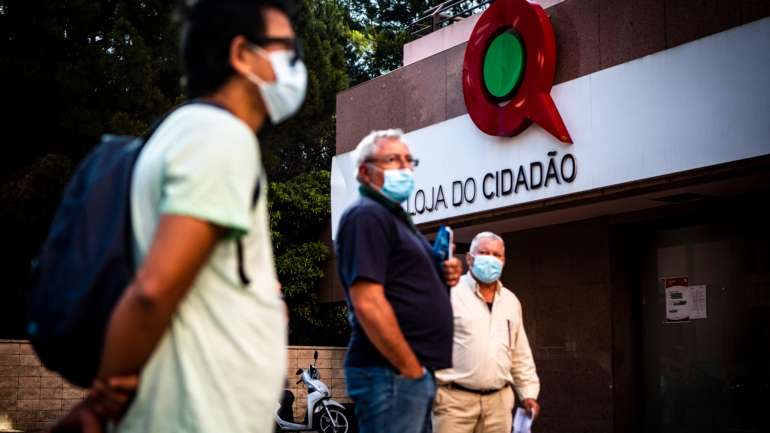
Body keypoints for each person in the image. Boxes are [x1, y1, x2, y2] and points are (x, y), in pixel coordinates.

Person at [48, 1, 306, 432]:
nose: (298, 63)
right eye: (288, 48)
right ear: (242, 54)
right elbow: (153, 290)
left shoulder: (187, 132)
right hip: (200, 414)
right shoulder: (219, 136)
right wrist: (99, 403)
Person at [335, 129, 463, 433]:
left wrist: (444, 271)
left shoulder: (397, 220)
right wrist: (410, 369)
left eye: (409, 160)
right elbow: (368, 302)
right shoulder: (366, 215)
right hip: (390, 373)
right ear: (365, 172)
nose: (405, 167)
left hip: (405, 375)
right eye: (393, 160)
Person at [433, 232, 540, 433]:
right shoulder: (449, 293)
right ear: (470, 258)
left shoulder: (510, 300)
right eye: (483, 252)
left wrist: (528, 393)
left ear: (504, 260)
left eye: (496, 254)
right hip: (453, 403)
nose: (490, 258)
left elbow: (519, 352)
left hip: (499, 405)